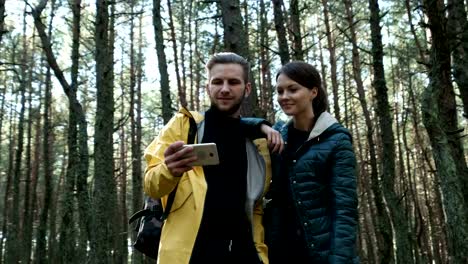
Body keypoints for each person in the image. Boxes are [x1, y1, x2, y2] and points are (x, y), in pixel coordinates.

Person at [143, 52, 280, 264]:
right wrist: (169, 170)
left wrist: (261, 255)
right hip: (191, 255)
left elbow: (256, 207)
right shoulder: (184, 126)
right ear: (208, 87)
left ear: (247, 89)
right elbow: (152, 186)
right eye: (217, 82)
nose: (225, 89)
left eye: (233, 82)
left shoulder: (257, 143)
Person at [259, 61, 359, 263]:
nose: (284, 97)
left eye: (293, 89)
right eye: (280, 91)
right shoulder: (278, 135)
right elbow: (235, 127)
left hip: (319, 253)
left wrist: (339, 259)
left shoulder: (337, 140)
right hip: (279, 251)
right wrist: (260, 125)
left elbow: (345, 209)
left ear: (313, 92)